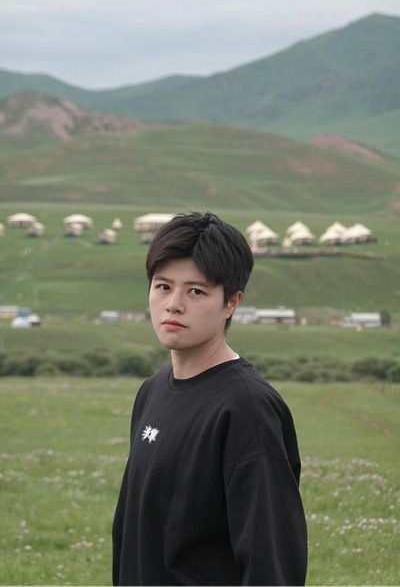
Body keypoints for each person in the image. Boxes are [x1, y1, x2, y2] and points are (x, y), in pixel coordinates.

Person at [112, 211, 307, 586]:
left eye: (196, 291)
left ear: (232, 302)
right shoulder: (152, 391)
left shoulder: (248, 409)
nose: (173, 304)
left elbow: (272, 563)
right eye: (163, 286)